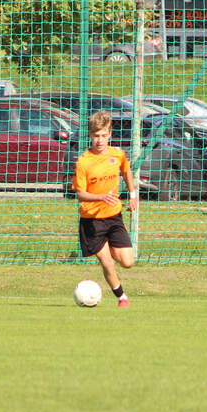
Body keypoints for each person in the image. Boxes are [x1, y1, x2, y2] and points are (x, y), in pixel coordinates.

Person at [73, 110, 138, 308]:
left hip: (114, 217)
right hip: (92, 221)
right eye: (96, 136)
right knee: (107, 261)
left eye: (103, 135)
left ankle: (108, 246)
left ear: (109, 134)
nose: (99, 140)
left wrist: (132, 195)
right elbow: (80, 194)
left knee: (127, 262)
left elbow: (126, 170)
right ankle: (122, 297)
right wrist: (101, 197)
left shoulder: (117, 155)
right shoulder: (83, 162)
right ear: (90, 135)